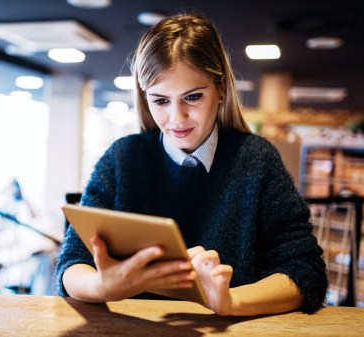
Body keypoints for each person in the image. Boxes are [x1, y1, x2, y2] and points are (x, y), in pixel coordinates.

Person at [55, 13, 327, 316]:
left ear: (221, 89)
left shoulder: (256, 159)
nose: (177, 118)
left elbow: (304, 271)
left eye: (193, 97)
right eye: (160, 101)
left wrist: (229, 301)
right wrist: (101, 287)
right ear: (145, 99)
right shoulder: (122, 158)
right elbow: (72, 263)